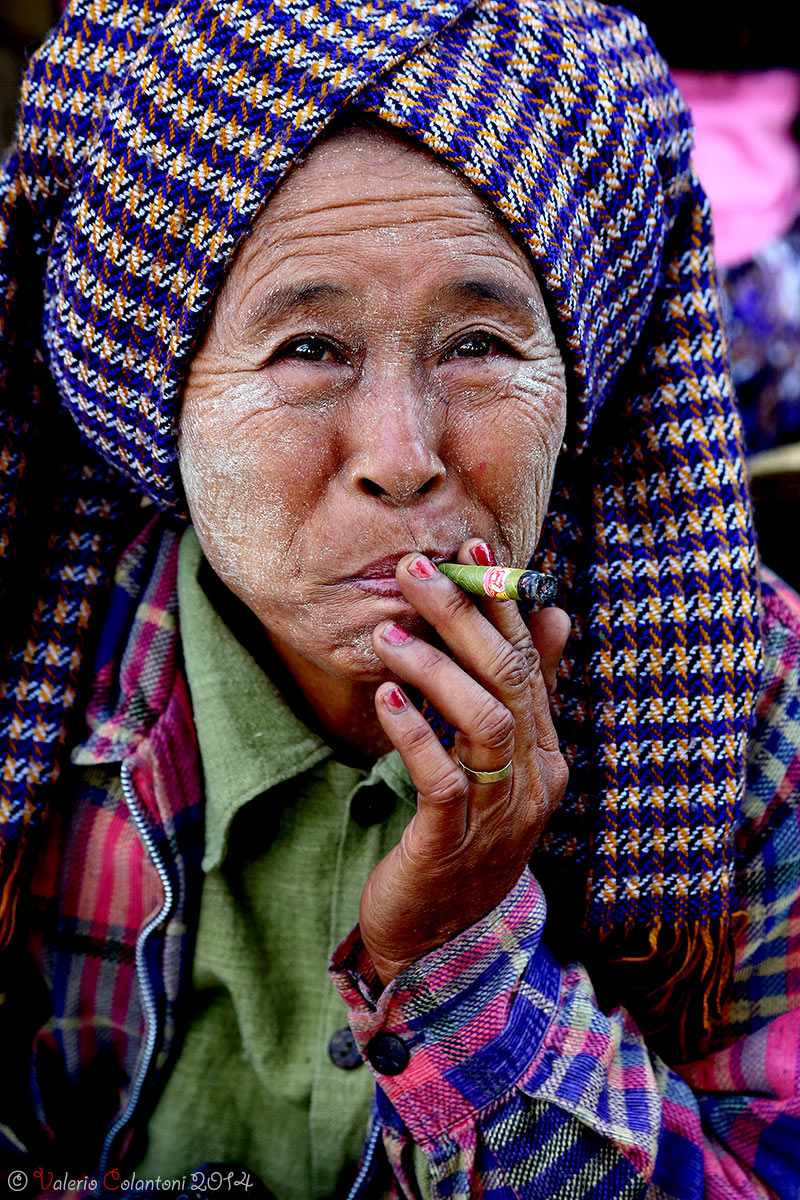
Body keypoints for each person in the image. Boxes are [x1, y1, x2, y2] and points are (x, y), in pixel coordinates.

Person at [0, 1, 798, 1198]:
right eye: (307, 350)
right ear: (158, 396)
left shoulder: (747, 706)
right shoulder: (37, 655)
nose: (402, 453)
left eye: (477, 343)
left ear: (572, 379)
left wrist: (462, 961)